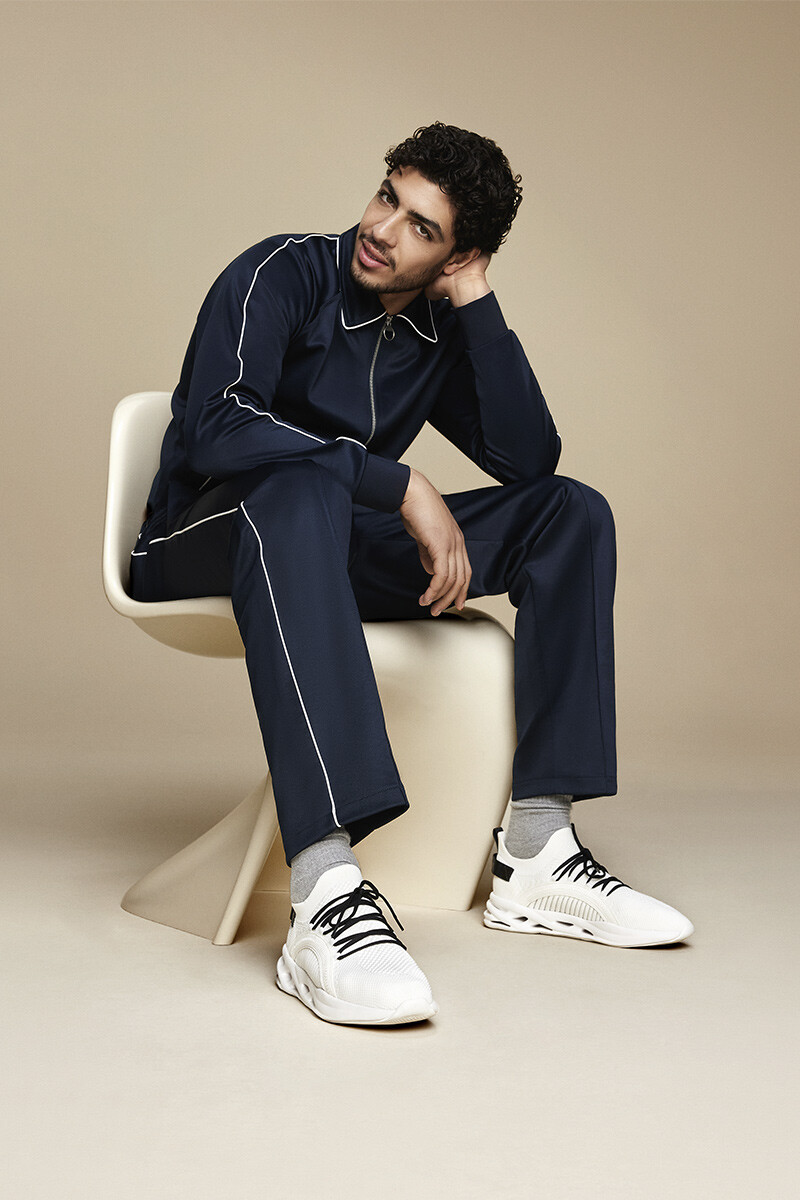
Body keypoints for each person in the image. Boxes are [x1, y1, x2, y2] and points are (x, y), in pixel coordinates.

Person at [130, 123, 693, 1026]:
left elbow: (527, 456)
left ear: (454, 255)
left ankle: (539, 854)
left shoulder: (432, 320)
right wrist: (397, 480)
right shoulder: (283, 272)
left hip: (333, 548)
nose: (384, 227)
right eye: (388, 195)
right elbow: (216, 427)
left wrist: (472, 300)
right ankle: (325, 892)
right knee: (302, 490)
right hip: (207, 536)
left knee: (570, 513)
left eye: (423, 228)